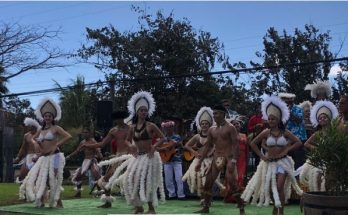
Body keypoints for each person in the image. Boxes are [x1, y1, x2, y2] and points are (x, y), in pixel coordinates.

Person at [97, 91, 166, 214]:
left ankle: (151, 209)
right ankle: (139, 207)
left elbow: (163, 138)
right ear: (137, 112)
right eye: (141, 110)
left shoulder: (151, 125)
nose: (144, 112)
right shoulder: (132, 127)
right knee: (131, 180)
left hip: (149, 157)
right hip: (138, 158)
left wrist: (154, 147)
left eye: (145, 110)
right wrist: (131, 146)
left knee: (147, 181)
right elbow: (127, 141)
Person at [241, 95, 303, 215]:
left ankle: (281, 212)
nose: (270, 121)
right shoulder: (265, 132)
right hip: (269, 163)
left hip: (283, 162)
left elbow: (298, 142)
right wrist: (261, 156)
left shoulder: (285, 132)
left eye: (273, 119)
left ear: (279, 120)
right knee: (271, 188)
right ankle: (275, 207)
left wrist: (286, 151)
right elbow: (253, 143)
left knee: (279, 187)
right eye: (269, 119)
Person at [19, 97, 72, 208]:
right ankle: (43, 200)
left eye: (49, 116)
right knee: (42, 178)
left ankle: (58, 201)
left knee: (52, 178)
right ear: (43, 118)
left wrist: (57, 144)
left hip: (56, 156)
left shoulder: (56, 128)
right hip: (44, 157)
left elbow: (68, 136)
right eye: (46, 116)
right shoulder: (41, 130)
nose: (47, 118)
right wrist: (36, 144)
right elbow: (32, 139)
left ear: (53, 118)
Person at [194, 105, 245, 215]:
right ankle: (206, 207)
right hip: (216, 157)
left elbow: (236, 145)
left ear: (223, 114)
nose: (214, 115)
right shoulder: (212, 129)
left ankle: (241, 208)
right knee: (208, 183)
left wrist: (234, 161)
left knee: (232, 183)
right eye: (214, 113)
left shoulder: (230, 127)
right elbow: (207, 146)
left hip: (229, 158)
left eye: (216, 113)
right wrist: (199, 161)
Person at [83, 110, 130, 208]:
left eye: (121, 118)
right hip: (118, 157)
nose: (119, 120)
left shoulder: (130, 129)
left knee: (132, 179)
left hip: (130, 156)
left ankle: (140, 204)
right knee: (105, 179)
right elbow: (102, 144)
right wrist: (89, 145)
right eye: (117, 119)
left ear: (123, 118)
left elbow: (137, 141)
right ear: (115, 120)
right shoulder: (113, 131)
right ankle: (108, 202)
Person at [182, 107, 225, 201]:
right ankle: (203, 198)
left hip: (210, 160)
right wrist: (194, 152)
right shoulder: (197, 136)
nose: (204, 125)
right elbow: (187, 145)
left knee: (209, 180)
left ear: (209, 125)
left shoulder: (214, 136)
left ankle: (208, 198)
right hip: (199, 160)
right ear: (200, 125)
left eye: (206, 124)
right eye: (202, 124)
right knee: (199, 178)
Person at [300, 100, 338, 191]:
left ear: (329, 118)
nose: (322, 119)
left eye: (324, 117)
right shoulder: (318, 133)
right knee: (317, 177)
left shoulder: (334, 132)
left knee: (329, 180)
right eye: (320, 118)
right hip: (320, 158)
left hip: (331, 158)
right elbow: (306, 144)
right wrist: (317, 148)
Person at [67, 125, 103, 198]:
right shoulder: (82, 142)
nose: (84, 134)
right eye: (83, 132)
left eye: (86, 132)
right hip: (86, 161)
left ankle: (101, 192)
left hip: (92, 160)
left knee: (96, 175)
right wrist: (69, 156)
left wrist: (100, 155)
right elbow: (77, 151)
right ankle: (78, 193)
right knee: (78, 176)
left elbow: (97, 149)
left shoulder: (93, 141)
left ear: (89, 133)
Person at [279, 92, 307, 169]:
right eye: (284, 101)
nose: (286, 102)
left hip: (299, 139)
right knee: (288, 163)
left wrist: (289, 113)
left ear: (292, 101)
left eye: (288, 101)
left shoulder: (298, 109)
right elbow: (281, 125)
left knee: (299, 163)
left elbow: (299, 120)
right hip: (287, 140)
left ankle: (299, 179)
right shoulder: (282, 111)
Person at [224, 118, 248, 203]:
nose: (236, 125)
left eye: (237, 123)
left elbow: (247, 149)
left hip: (242, 159)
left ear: (240, 125)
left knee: (240, 177)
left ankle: (239, 197)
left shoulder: (244, 135)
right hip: (232, 158)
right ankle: (229, 197)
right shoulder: (228, 136)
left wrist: (247, 160)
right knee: (232, 178)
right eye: (234, 124)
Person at [160, 120, 186, 200]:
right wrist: (165, 147)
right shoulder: (162, 138)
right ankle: (172, 195)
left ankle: (181, 195)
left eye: (170, 127)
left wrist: (175, 146)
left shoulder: (177, 137)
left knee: (179, 178)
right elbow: (158, 148)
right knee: (168, 179)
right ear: (164, 129)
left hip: (176, 160)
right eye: (166, 128)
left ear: (173, 128)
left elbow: (178, 146)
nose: (168, 129)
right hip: (166, 160)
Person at [13, 117, 41, 184]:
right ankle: (23, 191)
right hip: (28, 156)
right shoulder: (26, 135)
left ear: (34, 126)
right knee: (22, 175)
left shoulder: (41, 134)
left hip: (38, 157)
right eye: (28, 126)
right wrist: (18, 157)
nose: (28, 128)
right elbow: (23, 147)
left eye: (30, 126)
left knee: (37, 175)